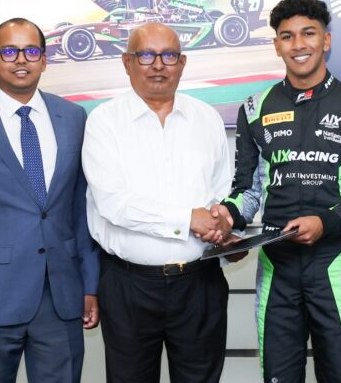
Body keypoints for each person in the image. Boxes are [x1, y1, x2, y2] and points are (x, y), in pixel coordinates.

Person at [214, 0, 341, 383]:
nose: (298, 44)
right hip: (275, 267)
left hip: (336, 265)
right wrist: (226, 216)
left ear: (326, 40)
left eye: (309, 33)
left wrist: (326, 223)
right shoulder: (254, 108)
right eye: (287, 36)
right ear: (276, 45)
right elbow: (247, 192)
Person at [0, 18, 99, 383]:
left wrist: (90, 285)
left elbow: (81, 210)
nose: (20, 59)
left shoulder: (73, 118)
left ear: (45, 60)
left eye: (31, 51)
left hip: (61, 297)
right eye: (9, 51)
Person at [82, 23, 236, 383]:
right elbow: (114, 204)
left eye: (168, 56)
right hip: (129, 286)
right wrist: (188, 219)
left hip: (200, 285)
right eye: (146, 55)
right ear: (127, 62)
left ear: (182, 63)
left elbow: (220, 194)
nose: (157, 65)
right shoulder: (104, 122)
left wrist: (225, 230)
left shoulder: (207, 118)